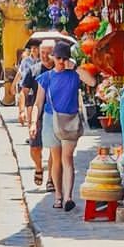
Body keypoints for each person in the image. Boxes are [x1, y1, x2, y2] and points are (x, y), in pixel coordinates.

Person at [32, 41, 96, 211]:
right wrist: (33, 122)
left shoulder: (74, 75)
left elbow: (92, 82)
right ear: (53, 57)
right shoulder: (46, 78)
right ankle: (58, 195)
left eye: (64, 58)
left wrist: (74, 67)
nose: (61, 61)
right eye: (58, 57)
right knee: (56, 159)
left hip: (69, 120)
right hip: (50, 119)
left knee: (67, 159)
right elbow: (38, 102)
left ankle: (68, 197)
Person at [19, 39, 55, 188]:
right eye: (42, 53)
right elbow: (24, 92)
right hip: (37, 113)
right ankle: (39, 167)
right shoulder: (33, 71)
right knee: (35, 146)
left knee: (54, 147)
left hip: (54, 114)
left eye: (49, 53)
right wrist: (22, 110)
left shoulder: (59, 70)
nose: (45, 56)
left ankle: (51, 178)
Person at [15, 39, 42, 129]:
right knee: (30, 112)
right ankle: (31, 133)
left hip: (38, 89)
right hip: (28, 89)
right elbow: (20, 73)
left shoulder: (43, 61)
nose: (34, 50)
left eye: (36, 48)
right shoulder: (25, 61)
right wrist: (13, 84)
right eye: (32, 48)